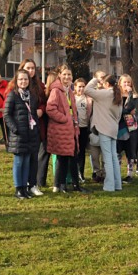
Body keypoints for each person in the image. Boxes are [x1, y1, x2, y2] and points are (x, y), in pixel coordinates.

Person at [46, 65, 89, 193]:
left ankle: (72, 184)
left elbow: (72, 108)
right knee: (63, 158)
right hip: (61, 129)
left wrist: (74, 121)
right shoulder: (56, 91)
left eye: (69, 74)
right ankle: (61, 184)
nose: (67, 77)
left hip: (71, 129)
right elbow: (50, 109)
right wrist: (65, 119)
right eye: (64, 74)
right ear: (59, 75)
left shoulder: (69, 91)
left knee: (72, 156)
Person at [4, 69, 40, 199]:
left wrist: (35, 129)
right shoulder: (12, 95)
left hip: (30, 134)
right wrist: (15, 129)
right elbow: (6, 114)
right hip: (19, 135)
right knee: (19, 162)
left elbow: (34, 114)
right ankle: (18, 188)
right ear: (16, 81)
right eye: (20, 79)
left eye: (25, 79)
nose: (23, 81)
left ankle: (25, 188)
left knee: (26, 162)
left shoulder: (32, 96)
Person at [84, 73, 124, 192]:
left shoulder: (105, 93)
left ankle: (109, 186)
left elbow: (87, 90)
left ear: (107, 84)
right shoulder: (118, 95)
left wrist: (96, 79)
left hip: (104, 129)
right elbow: (119, 115)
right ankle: (117, 184)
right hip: (113, 129)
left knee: (107, 158)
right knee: (113, 158)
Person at [21, 59, 46, 196]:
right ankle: (22, 185)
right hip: (21, 126)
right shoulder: (15, 84)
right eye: (28, 68)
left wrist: (41, 109)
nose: (30, 71)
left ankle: (33, 184)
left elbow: (44, 101)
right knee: (23, 157)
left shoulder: (39, 85)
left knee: (34, 156)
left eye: (32, 68)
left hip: (36, 124)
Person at [117, 74, 138, 183]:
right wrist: (124, 111)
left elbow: (129, 108)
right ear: (120, 83)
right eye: (124, 82)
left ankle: (129, 174)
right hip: (118, 126)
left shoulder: (134, 96)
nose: (126, 84)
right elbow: (121, 111)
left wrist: (130, 93)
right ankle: (117, 174)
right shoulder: (116, 95)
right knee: (118, 151)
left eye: (128, 82)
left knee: (130, 152)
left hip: (130, 128)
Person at [73, 78, 92, 181]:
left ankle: (81, 173)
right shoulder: (72, 96)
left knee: (82, 152)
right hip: (73, 128)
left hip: (84, 127)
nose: (81, 88)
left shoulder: (88, 99)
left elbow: (89, 112)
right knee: (74, 151)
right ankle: (73, 173)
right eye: (79, 86)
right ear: (75, 87)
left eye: (83, 86)